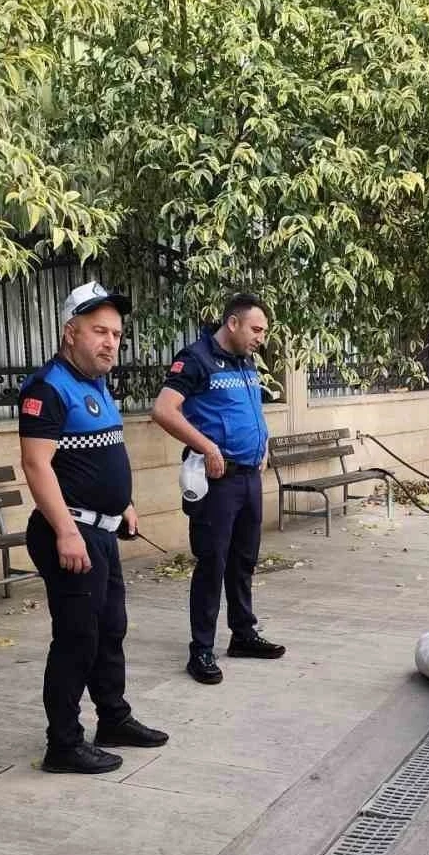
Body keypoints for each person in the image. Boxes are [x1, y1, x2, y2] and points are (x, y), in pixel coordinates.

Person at [18, 281, 169, 772]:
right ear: (71, 333)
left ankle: (113, 718)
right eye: (99, 331)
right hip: (70, 533)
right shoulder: (47, 388)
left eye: (117, 334)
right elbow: (37, 465)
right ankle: (63, 745)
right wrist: (66, 531)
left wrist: (124, 503)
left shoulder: (96, 383)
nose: (110, 342)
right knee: (77, 638)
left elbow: (102, 453)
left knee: (110, 630)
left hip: (102, 531)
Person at [151, 292, 285, 683]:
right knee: (212, 564)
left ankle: (243, 634)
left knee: (244, 560)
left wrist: (264, 444)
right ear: (233, 323)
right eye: (256, 329)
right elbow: (163, 410)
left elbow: (249, 410)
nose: (261, 338)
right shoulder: (196, 359)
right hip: (218, 481)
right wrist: (206, 446)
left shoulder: (245, 360)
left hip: (249, 478)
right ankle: (202, 650)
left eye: (264, 331)